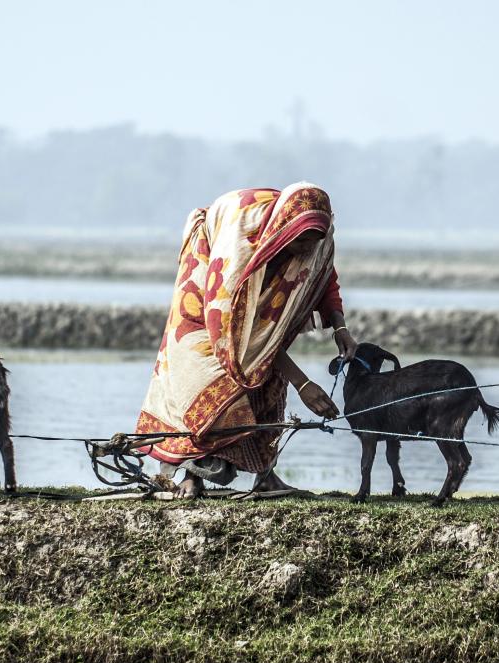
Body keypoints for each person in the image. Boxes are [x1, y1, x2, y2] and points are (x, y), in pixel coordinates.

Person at [133, 183, 359, 497]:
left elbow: (323, 275)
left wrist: (340, 328)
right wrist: (304, 384)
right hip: (209, 296)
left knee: (269, 382)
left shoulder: (315, 240)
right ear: (284, 228)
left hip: (248, 308)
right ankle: (190, 475)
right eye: (302, 240)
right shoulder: (240, 245)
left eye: (314, 241)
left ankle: (266, 475)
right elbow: (241, 336)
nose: (307, 248)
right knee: (202, 379)